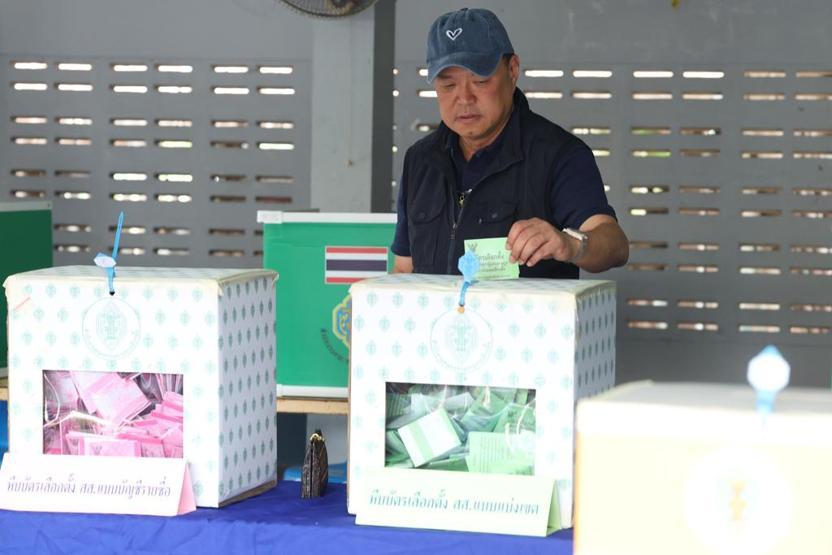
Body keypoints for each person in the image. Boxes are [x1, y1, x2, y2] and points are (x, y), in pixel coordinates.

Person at [391, 7, 629, 278]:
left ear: (512, 70)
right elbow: (404, 268)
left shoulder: (558, 155)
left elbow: (615, 245)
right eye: (448, 85)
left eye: (480, 80)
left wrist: (571, 244)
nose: (464, 98)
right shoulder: (420, 161)